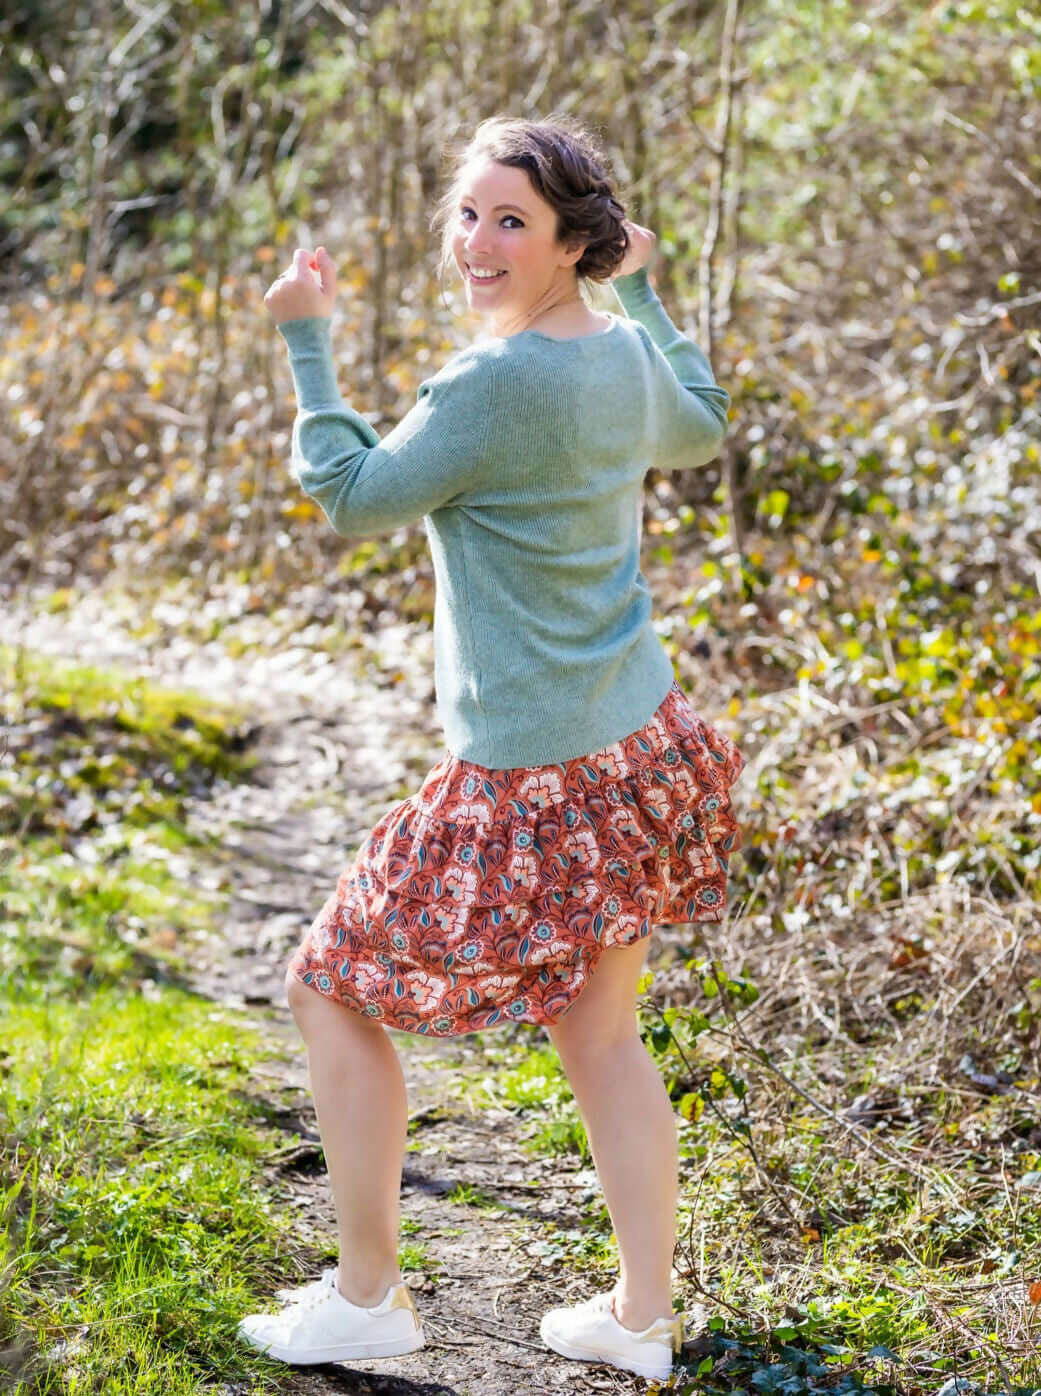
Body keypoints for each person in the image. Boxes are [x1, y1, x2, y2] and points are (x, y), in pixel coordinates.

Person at [237, 114, 744, 1384]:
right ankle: (639, 1317)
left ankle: (366, 1298)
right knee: (602, 1036)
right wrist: (650, 296)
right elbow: (702, 424)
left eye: (511, 220)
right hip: (636, 749)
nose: (477, 242)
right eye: (466, 212)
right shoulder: (624, 353)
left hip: (527, 778)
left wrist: (306, 339)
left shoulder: (492, 386)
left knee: (329, 989)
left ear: (576, 243)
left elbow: (352, 497)